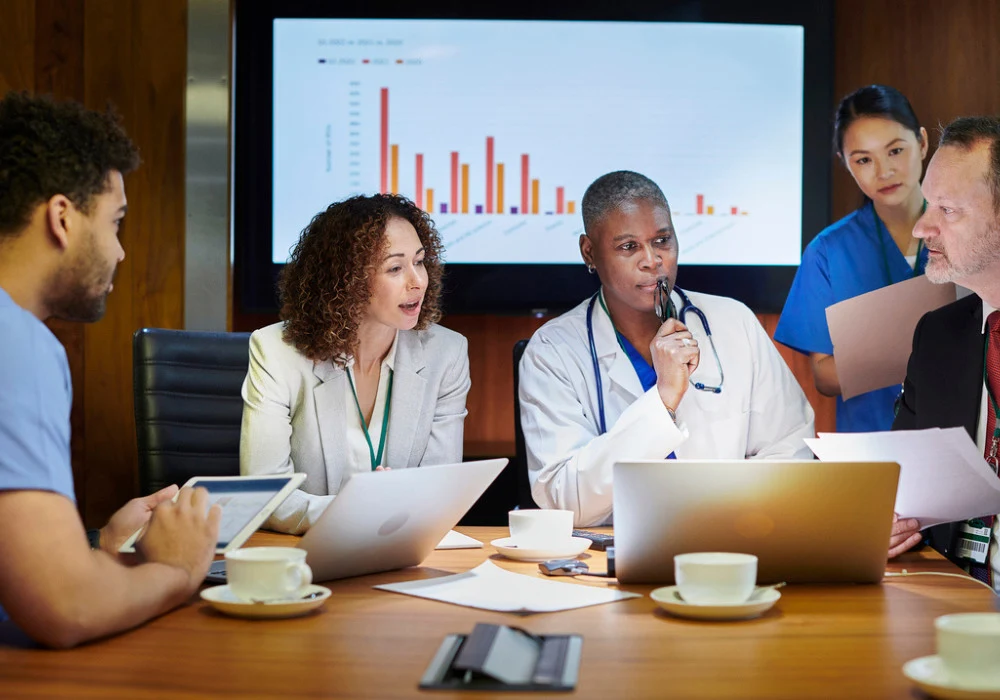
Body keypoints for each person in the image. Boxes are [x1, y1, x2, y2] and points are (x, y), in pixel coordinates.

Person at [0, 92, 220, 648]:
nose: (120, 252)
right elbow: (66, 606)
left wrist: (96, 546)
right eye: (115, 222)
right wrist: (177, 569)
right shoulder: (17, 344)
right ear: (62, 218)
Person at [518, 170, 816, 527]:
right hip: (611, 553)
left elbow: (791, 448)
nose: (652, 260)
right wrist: (662, 400)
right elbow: (564, 498)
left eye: (662, 240)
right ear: (589, 252)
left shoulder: (734, 322)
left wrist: (727, 520)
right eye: (628, 247)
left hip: (729, 539)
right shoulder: (552, 351)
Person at [240, 194, 471, 534]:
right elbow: (265, 494)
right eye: (395, 268)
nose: (418, 281)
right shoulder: (276, 351)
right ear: (346, 280)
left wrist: (390, 511)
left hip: (402, 550)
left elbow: (439, 491)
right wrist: (356, 510)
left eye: (420, 261)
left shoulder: (446, 353)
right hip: (305, 555)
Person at [775, 85, 931, 432]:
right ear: (845, 163)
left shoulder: (965, 234)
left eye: (895, 151)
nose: (884, 171)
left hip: (962, 438)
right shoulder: (828, 251)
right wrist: (921, 349)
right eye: (863, 160)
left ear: (922, 142)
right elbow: (825, 376)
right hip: (871, 442)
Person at [891, 116, 1000, 588]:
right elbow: (900, 490)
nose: (921, 227)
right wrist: (889, 524)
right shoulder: (938, 336)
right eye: (927, 204)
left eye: (947, 210)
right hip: (949, 599)